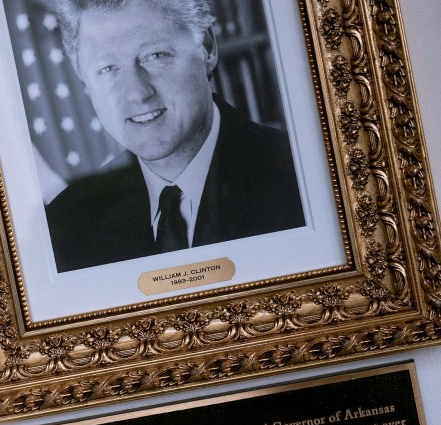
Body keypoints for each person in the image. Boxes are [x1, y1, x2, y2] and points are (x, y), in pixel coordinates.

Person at [45, 0, 305, 272]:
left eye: (155, 56)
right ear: (84, 81)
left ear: (207, 48)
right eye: (108, 69)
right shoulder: (65, 227)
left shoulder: (304, 179)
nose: (137, 93)